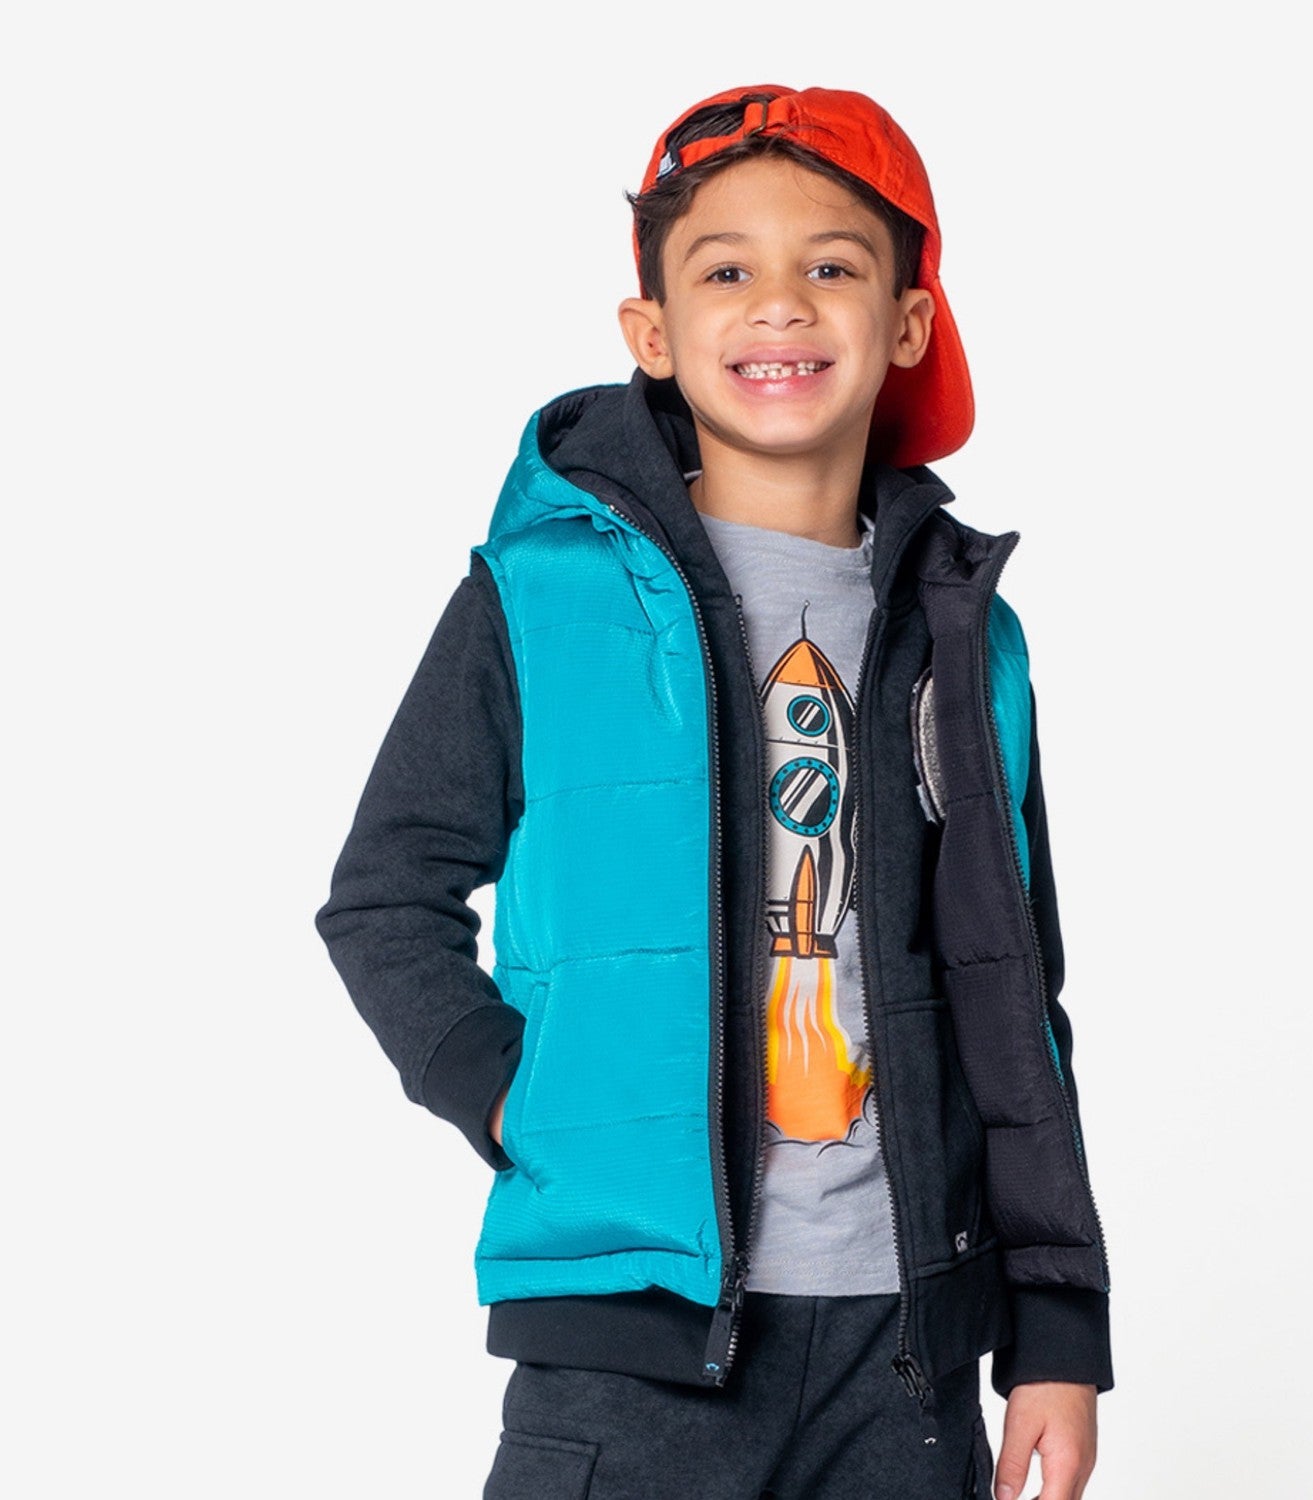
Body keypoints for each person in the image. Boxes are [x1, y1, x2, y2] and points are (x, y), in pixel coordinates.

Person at [316, 83, 1113, 1500]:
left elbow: (1014, 990)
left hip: (905, 1356)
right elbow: (384, 896)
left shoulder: (964, 634)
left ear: (909, 324)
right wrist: (520, 1102)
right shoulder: (538, 602)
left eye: (832, 267)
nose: (781, 305)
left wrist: (1056, 1333)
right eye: (727, 272)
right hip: (629, 1356)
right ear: (653, 334)